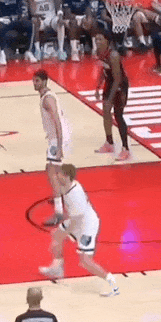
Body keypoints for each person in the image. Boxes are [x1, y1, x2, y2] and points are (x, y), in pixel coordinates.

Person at [39, 164, 119, 297]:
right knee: (57, 235)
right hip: (77, 219)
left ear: (66, 176)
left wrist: (67, 232)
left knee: (85, 261)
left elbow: (77, 220)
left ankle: (112, 283)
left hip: (87, 225)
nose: (57, 176)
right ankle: (57, 268)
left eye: (60, 174)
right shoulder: (68, 184)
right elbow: (56, 185)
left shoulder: (75, 194)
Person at [33, 69, 71, 227]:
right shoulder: (46, 96)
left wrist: (59, 145)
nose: (34, 84)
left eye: (37, 81)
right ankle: (64, 197)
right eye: (34, 81)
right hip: (56, 138)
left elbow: (57, 122)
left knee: (52, 173)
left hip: (57, 139)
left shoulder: (48, 99)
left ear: (44, 81)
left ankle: (59, 213)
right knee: (55, 171)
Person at [94, 29, 131, 161]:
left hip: (119, 85)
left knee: (118, 115)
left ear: (107, 41)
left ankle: (125, 149)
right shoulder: (99, 52)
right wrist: (98, 86)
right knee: (105, 111)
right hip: (110, 82)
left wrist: (110, 98)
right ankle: (109, 143)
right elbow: (103, 69)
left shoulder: (113, 55)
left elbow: (118, 79)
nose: (97, 42)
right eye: (96, 39)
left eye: (100, 39)